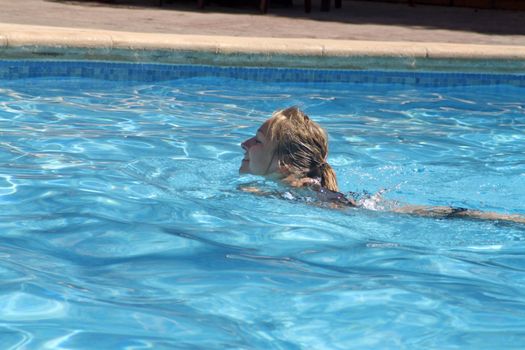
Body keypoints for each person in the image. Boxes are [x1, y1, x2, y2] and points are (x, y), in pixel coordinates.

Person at [239, 106, 525, 224]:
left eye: (258, 140)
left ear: (285, 163)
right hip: (365, 210)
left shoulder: (297, 191)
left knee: (440, 215)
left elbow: (327, 209)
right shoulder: (300, 187)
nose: (245, 144)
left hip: (366, 216)